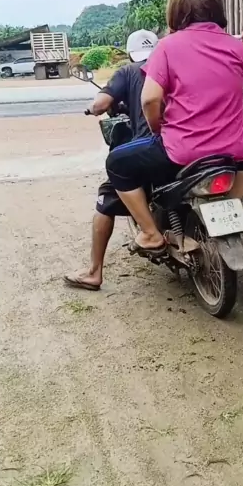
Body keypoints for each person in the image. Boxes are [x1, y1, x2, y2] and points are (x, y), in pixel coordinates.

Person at [106, 0, 243, 256]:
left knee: (116, 163)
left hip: (181, 152)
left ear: (176, 10)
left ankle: (150, 233)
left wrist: (157, 128)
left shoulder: (167, 47)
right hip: (232, 152)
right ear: (217, 8)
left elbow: (150, 99)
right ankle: (233, 208)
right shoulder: (238, 48)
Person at [64, 29, 159, 290]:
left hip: (149, 148)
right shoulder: (170, 67)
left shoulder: (127, 72)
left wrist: (92, 108)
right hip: (184, 146)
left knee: (107, 196)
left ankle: (94, 272)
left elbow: (100, 104)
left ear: (130, 52)